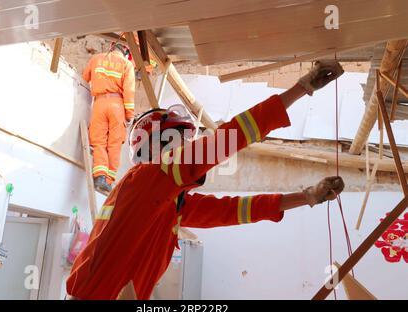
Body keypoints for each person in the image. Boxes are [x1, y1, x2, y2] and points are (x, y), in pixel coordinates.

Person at [66, 60, 346, 299]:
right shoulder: (146, 180)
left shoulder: (167, 204)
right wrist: (302, 88)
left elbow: (233, 211)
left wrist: (307, 197)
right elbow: (224, 141)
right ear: (155, 147)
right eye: (181, 143)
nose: (188, 149)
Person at [83, 41, 135, 195]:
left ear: (112, 47)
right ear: (126, 53)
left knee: (98, 141)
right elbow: (129, 91)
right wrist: (129, 114)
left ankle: (99, 176)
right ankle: (108, 181)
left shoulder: (96, 59)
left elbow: (85, 77)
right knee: (114, 144)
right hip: (117, 105)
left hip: (99, 103)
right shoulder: (127, 64)